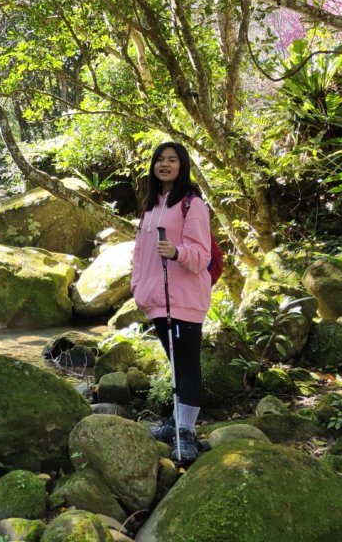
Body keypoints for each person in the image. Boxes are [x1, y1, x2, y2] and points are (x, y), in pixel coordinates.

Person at [130, 141, 212, 464]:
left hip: (185, 299)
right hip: (157, 299)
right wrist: (138, 287)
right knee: (176, 364)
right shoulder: (150, 206)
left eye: (172, 160)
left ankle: (186, 431)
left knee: (188, 364)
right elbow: (140, 254)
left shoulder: (193, 205)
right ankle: (176, 421)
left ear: (182, 165)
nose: (165, 165)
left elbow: (202, 255)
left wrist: (177, 252)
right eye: (160, 160)